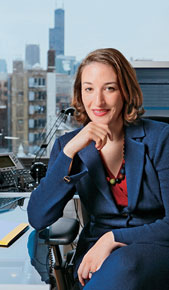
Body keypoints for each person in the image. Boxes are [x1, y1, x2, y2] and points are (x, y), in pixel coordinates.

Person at [27, 48, 169, 290]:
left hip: (153, 248)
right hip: (96, 255)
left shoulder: (160, 138)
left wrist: (113, 238)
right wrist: (70, 152)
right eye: (89, 89)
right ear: (79, 93)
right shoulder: (68, 146)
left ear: (126, 91)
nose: (98, 101)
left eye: (110, 88)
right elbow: (38, 217)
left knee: (125, 263)